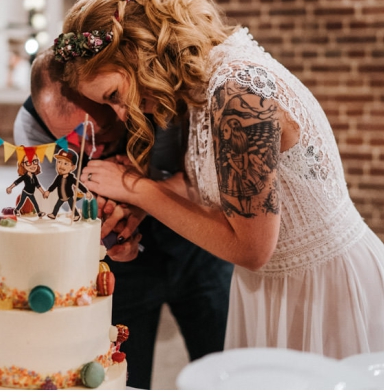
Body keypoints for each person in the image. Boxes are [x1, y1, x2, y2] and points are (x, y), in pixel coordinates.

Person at [65, 0, 384, 357]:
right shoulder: (205, 81)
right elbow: (210, 185)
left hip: (327, 288)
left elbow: (251, 248)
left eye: (114, 95)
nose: (121, 114)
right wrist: (141, 202)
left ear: (137, 52)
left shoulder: (237, 94)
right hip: (277, 286)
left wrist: (137, 189)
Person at [13, 48, 233, 388]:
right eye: (71, 141)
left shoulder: (161, 97)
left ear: (119, 101)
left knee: (224, 370)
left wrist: (138, 194)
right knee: (124, 379)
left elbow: (206, 179)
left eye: (99, 137)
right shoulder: (31, 128)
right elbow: (63, 214)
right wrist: (111, 238)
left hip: (198, 247)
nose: (90, 152)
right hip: (122, 273)